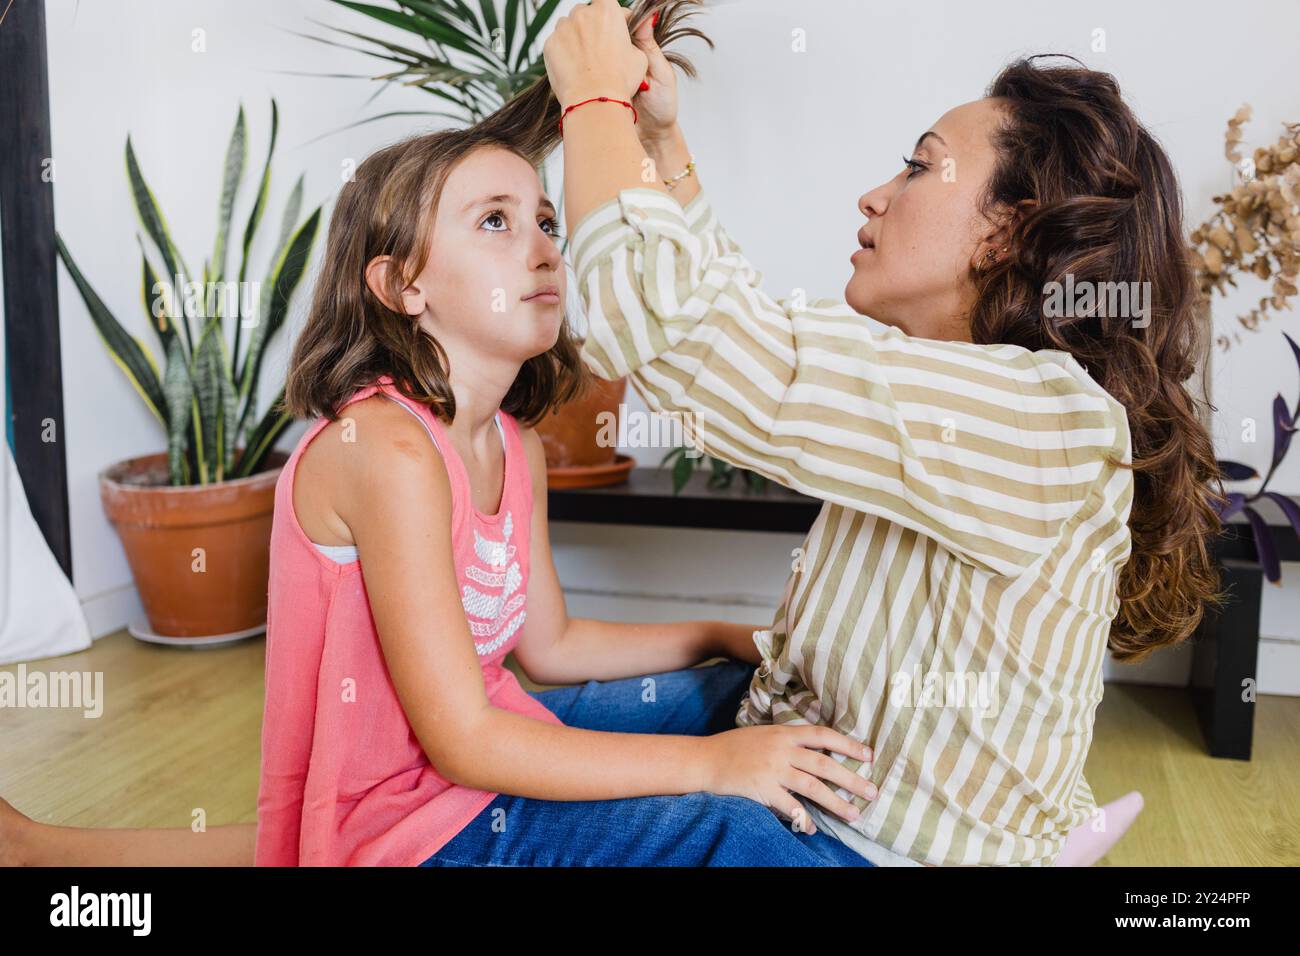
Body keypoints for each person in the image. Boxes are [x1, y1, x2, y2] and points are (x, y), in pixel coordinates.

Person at [540, 0, 1222, 864]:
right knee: (523, 736)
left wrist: (592, 105)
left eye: (916, 168)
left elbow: (673, 334)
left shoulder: (1040, 420)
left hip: (856, 843)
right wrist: (659, 144)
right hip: (802, 749)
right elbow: (739, 331)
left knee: (469, 807)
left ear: (1006, 230)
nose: (874, 194)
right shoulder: (961, 390)